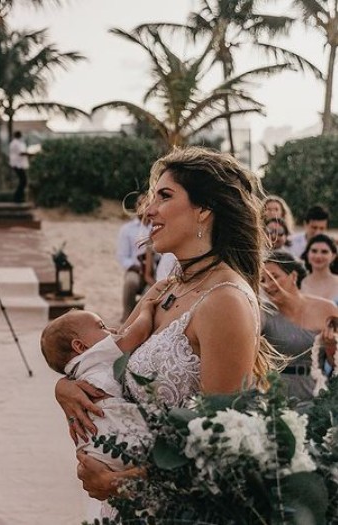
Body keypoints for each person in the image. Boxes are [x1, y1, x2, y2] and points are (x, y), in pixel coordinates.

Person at [57, 147, 272, 503]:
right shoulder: (170, 284)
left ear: (204, 210)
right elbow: (111, 354)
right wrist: (66, 387)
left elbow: (223, 448)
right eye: (152, 196)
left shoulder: (225, 301)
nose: (147, 209)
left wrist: (124, 485)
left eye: (164, 196)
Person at [40, 300, 157, 470]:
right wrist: (146, 309)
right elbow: (139, 333)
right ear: (80, 346)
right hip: (115, 418)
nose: (113, 330)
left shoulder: (74, 371)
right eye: (102, 326)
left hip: (93, 438)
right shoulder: (98, 352)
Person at [262, 251, 338, 400]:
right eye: (262, 280)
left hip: (315, 392)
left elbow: (335, 363)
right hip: (275, 396)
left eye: (274, 277)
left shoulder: (327, 309)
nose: (267, 285)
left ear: (294, 276)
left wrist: (331, 347)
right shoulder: (263, 312)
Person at [116, 193, 151, 321]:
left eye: (147, 204)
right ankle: (127, 315)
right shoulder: (127, 229)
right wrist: (135, 266)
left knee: (149, 291)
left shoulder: (157, 226)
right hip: (134, 268)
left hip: (153, 269)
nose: (144, 207)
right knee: (131, 282)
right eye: (140, 204)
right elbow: (122, 256)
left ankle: (138, 317)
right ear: (136, 206)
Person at [300, 234, 338, 302]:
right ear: (307, 254)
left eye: (324, 252)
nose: (318, 256)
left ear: (333, 256)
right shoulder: (299, 284)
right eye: (314, 251)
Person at [8, 131, 30, 203]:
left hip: (17, 164)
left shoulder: (14, 143)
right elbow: (21, 153)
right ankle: (17, 198)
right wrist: (31, 153)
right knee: (23, 181)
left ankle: (19, 197)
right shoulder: (16, 143)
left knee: (22, 181)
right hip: (18, 164)